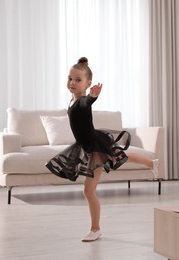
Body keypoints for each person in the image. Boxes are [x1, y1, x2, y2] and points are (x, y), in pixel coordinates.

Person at [46, 57, 158, 242]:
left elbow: (87, 102)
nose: (72, 83)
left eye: (78, 80)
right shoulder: (72, 100)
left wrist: (93, 96)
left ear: (88, 84)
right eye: (70, 78)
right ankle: (151, 162)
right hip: (89, 145)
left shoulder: (82, 101)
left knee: (89, 191)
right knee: (120, 157)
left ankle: (95, 229)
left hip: (95, 147)